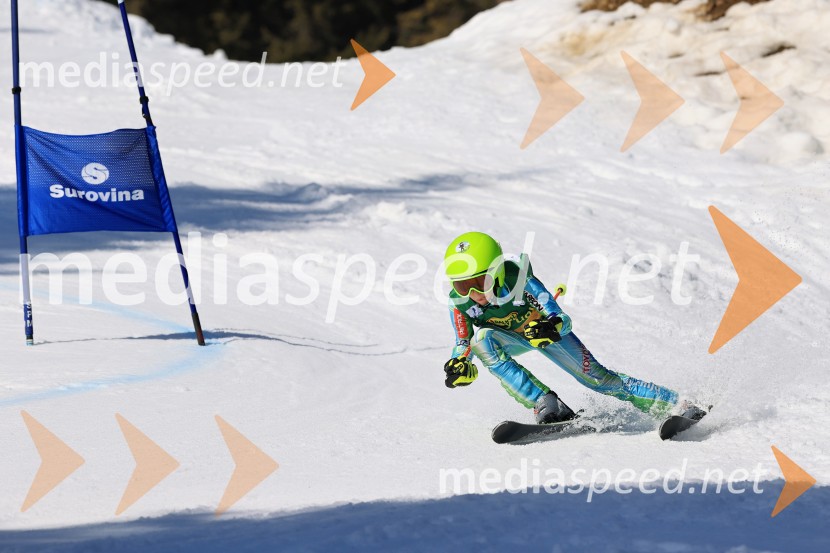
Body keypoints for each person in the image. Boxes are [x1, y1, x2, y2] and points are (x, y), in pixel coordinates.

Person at [442, 231, 701, 424]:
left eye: (480, 282)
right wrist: (460, 364)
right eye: (463, 286)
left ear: (497, 271)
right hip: (511, 338)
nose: (473, 293)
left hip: (541, 334)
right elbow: (463, 343)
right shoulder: (460, 303)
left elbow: (561, 319)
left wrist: (550, 326)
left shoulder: (519, 280)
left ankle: (677, 405)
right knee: (481, 339)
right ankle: (545, 403)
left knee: (599, 380)